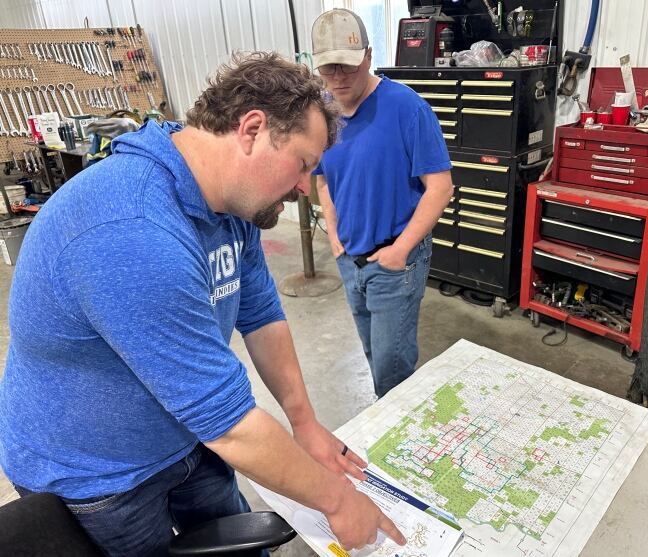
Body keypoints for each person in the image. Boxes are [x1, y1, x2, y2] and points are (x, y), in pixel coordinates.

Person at [0, 52, 404, 556]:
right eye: (303, 164)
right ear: (252, 129)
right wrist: (340, 503)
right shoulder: (134, 233)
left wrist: (304, 424)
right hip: (100, 475)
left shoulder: (230, 201)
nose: (306, 188)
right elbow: (229, 424)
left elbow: (261, 316)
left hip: (187, 434)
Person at [311, 9, 454, 398]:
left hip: (395, 261)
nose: (338, 78)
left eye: (348, 67)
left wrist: (401, 250)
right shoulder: (322, 112)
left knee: (393, 372)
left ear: (369, 57)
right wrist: (335, 233)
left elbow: (440, 187)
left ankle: (404, 450)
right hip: (350, 259)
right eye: (329, 68)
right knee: (375, 356)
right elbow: (322, 178)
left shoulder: (407, 108)